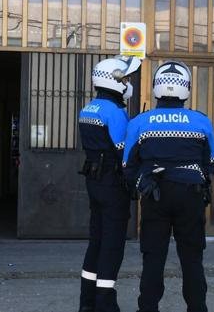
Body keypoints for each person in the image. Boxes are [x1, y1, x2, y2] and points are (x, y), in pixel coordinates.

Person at [122, 61, 214, 312]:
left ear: (156, 87)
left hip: (155, 196)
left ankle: (148, 308)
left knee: (153, 258)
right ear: (186, 87)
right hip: (191, 196)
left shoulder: (140, 122)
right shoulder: (201, 122)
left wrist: (141, 184)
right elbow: (211, 163)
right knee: (192, 259)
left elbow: (128, 166)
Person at [77, 56, 141, 312]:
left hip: (94, 182)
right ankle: (105, 304)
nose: (127, 83)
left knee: (96, 241)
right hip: (113, 184)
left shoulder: (88, 109)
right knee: (112, 245)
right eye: (125, 78)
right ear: (113, 80)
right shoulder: (114, 112)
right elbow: (123, 151)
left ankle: (86, 303)